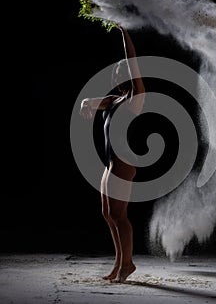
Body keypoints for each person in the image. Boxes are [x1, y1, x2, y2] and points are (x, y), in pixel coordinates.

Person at [79, 27, 145, 283]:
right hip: (110, 163)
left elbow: (132, 63)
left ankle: (127, 264)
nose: (116, 75)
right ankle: (120, 262)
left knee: (120, 215)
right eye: (115, 73)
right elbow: (100, 102)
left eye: (119, 72)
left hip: (123, 161)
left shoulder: (135, 98)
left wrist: (123, 31)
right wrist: (87, 102)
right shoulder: (116, 99)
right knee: (108, 214)